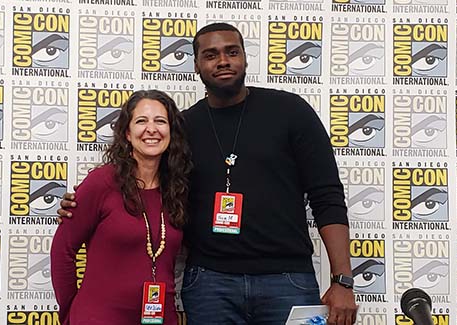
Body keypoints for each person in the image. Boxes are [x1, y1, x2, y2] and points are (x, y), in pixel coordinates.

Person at [59, 23, 357, 324]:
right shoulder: (183, 129)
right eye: (211, 54)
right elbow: (143, 185)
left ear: (244, 58)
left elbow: (327, 196)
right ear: (197, 65)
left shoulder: (291, 112)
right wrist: (80, 204)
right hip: (210, 285)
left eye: (232, 52)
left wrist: (342, 280)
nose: (223, 61)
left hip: (287, 281)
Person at [50, 90, 191, 324]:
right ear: (127, 133)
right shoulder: (102, 182)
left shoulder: (177, 189)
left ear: (171, 132)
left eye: (160, 121)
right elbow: (62, 252)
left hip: (159, 318)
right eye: (141, 121)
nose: (151, 129)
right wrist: (69, 313)